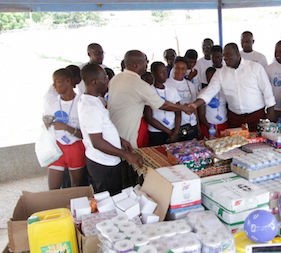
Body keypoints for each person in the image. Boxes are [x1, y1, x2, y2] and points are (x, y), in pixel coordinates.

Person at [78, 63, 143, 195]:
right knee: (109, 201)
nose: (107, 80)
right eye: (105, 77)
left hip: (107, 161)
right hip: (102, 164)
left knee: (115, 195)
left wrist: (120, 140)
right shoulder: (91, 107)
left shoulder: (95, 101)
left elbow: (101, 129)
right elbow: (97, 142)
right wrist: (126, 155)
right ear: (95, 82)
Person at [108, 50, 192, 149]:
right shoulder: (139, 84)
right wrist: (183, 108)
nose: (146, 64)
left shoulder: (116, 79)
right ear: (135, 65)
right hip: (125, 138)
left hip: (112, 134)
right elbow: (163, 105)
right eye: (145, 61)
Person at [190, 43, 276, 131]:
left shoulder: (255, 67)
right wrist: (195, 105)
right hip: (235, 118)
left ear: (238, 54)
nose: (225, 58)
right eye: (224, 55)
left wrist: (271, 112)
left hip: (256, 115)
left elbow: (267, 91)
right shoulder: (220, 73)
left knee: (258, 144)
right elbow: (209, 91)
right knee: (236, 144)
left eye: (229, 55)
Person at [43, 68, 86, 190]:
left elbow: (87, 135)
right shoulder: (52, 102)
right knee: (53, 189)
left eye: (56, 82)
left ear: (67, 81)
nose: (54, 86)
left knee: (75, 187)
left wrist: (66, 128)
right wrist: (46, 123)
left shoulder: (82, 102)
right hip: (57, 147)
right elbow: (47, 127)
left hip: (76, 147)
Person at [144, 62, 181, 146]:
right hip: (156, 132)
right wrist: (169, 132)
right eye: (161, 72)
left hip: (173, 129)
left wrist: (175, 132)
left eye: (165, 71)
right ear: (153, 73)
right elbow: (149, 117)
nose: (165, 74)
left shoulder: (172, 90)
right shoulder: (148, 91)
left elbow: (178, 111)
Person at [166, 57, 199, 141]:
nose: (180, 71)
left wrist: (198, 125)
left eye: (183, 68)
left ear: (186, 70)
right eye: (177, 68)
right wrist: (181, 107)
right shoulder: (166, 83)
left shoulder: (190, 85)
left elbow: (194, 107)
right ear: (173, 68)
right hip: (174, 126)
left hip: (191, 124)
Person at [198, 67, 228, 139]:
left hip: (224, 125)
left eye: (213, 77)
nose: (211, 80)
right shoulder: (202, 92)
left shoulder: (224, 91)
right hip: (208, 127)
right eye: (208, 77)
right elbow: (201, 114)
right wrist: (210, 127)